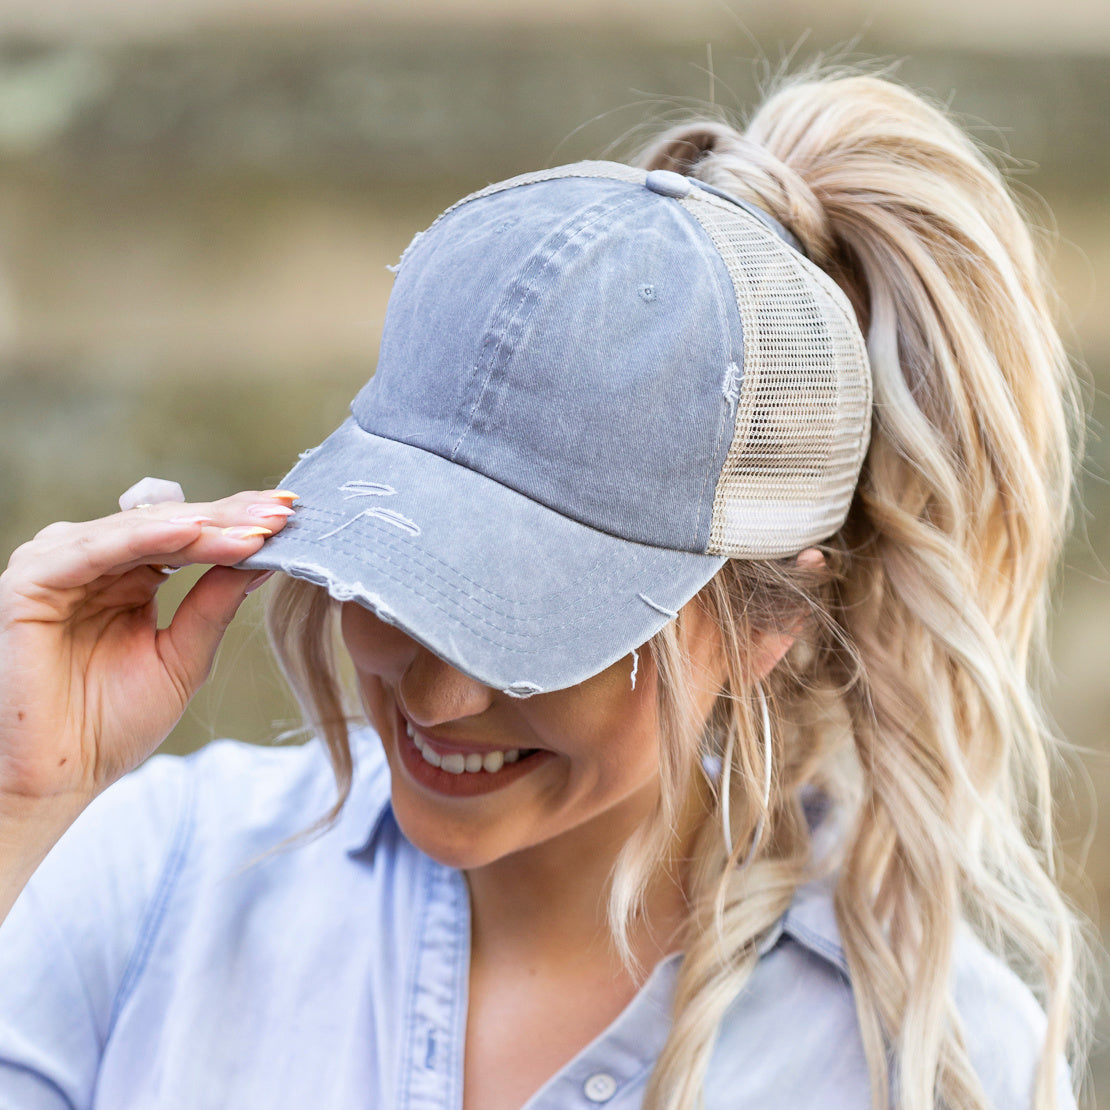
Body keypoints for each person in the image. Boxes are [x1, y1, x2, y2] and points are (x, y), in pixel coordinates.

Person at [0, 70, 1093, 1110]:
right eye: (401, 578)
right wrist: (22, 806)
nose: (434, 699)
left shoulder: (925, 1060)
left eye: (532, 626)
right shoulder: (149, 873)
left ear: (769, 621)